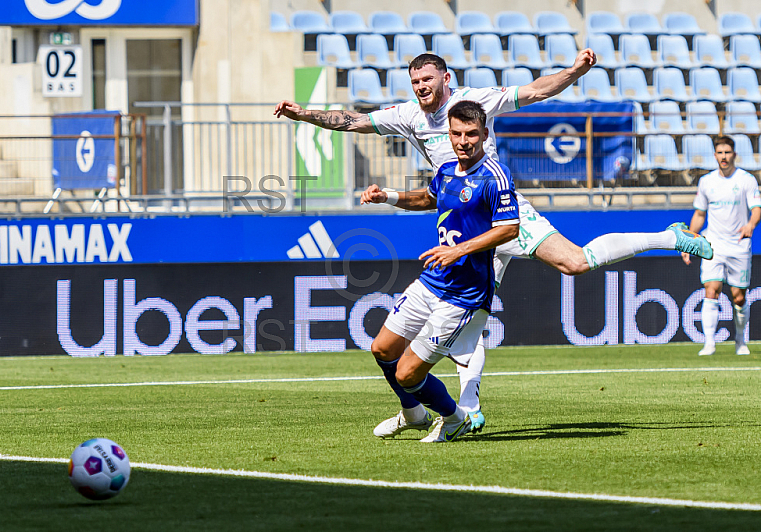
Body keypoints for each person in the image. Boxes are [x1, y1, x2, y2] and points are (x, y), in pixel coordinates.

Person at [274, 53, 713, 437]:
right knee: (471, 321)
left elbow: (536, 91)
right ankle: (466, 410)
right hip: (461, 222)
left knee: (575, 263)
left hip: (503, 214)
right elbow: (351, 121)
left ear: (447, 78)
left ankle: (668, 236)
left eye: (427, 80)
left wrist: (576, 71)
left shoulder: (478, 100)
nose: (421, 88)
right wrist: (303, 114)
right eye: (414, 83)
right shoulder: (410, 115)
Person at [359, 100, 520, 442]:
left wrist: (458, 250)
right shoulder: (447, 170)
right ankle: (414, 413)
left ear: (484, 134)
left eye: (472, 134)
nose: (464, 141)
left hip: (463, 295)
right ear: (449, 134)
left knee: (407, 372)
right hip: (431, 282)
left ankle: (454, 418)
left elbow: (510, 228)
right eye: (457, 133)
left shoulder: (495, 176)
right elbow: (426, 199)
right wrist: (385, 196)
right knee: (382, 349)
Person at [681, 135, 761, 356]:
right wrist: (690, 241)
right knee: (711, 289)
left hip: (738, 245)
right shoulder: (707, 181)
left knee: (739, 296)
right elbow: (699, 214)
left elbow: (756, 208)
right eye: (720, 153)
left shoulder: (746, 180)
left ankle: (740, 341)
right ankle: (709, 343)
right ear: (715, 155)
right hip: (713, 245)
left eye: (727, 152)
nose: (724, 157)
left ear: (734, 154)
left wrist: (750, 225)